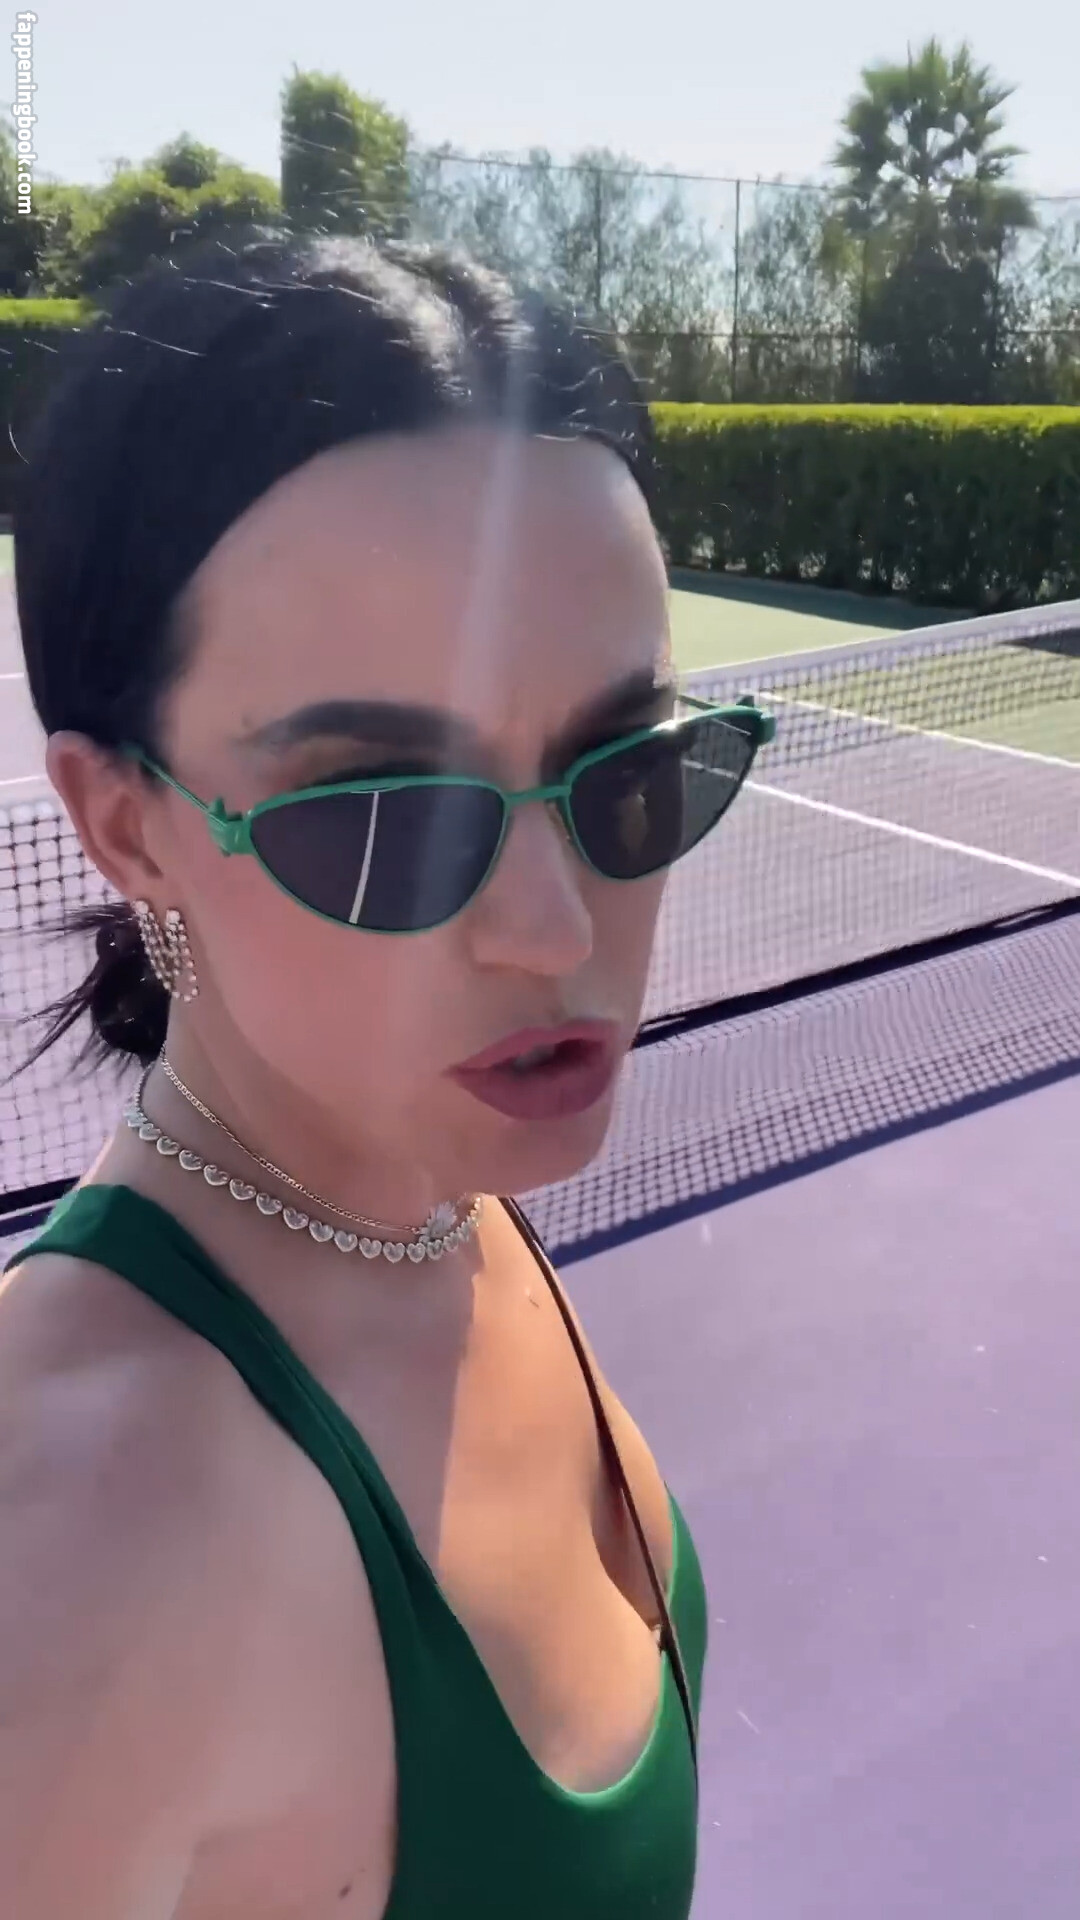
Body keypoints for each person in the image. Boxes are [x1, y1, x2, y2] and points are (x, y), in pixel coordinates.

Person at [0, 235, 770, 1919]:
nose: (555, 928)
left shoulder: (427, 1194)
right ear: (126, 825)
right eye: (380, 821)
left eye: (629, 770)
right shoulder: (73, 1552)